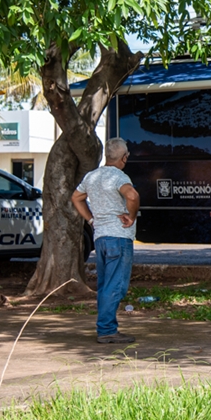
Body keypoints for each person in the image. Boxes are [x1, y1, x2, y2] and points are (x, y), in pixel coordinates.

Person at [71, 138, 140, 344]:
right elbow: (133, 196)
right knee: (116, 285)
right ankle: (107, 329)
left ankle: (105, 326)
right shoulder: (119, 177)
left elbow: (76, 197)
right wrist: (132, 215)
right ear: (124, 157)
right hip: (118, 237)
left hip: (100, 237)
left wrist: (91, 219)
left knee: (105, 285)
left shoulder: (91, 176)